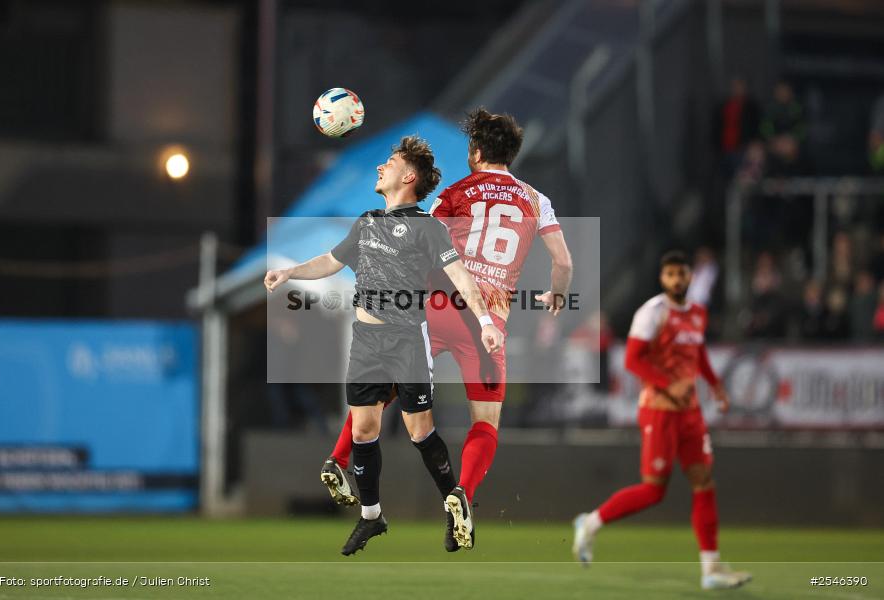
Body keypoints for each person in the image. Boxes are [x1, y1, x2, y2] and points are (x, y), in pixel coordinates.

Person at [320, 108, 573, 551]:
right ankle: (463, 494)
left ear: (475, 151)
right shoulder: (536, 200)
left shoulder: (454, 193)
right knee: (486, 422)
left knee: (381, 388)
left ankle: (340, 459)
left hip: (436, 308)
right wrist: (556, 295)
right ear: (512, 153)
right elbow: (564, 262)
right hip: (487, 320)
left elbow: (418, 242)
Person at [264, 136, 504, 556]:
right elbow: (331, 261)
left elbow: (462, 277)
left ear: (408, 177)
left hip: (407, 338)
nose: (380, 167)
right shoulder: (368, 220)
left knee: (418, 431)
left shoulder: (427, 227)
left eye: (389, 162)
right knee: (362, 429)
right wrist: (291, 272)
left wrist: (485, 320)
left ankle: (454, 504)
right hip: (366, 340)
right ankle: (372, 516)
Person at [571, 251, 751, 590]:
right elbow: (632, 361)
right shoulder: (652, 313)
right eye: (670, 274)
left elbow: (697, 354)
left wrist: (715, 386)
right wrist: (670, 384)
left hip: (690, 412)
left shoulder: (697, 313)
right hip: (658, 409)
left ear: (690, 277)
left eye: (682, 274)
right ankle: (590, 523)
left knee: (703, 480)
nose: (677, 280)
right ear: (662, 279)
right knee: (654, 490)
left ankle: (710, 569)